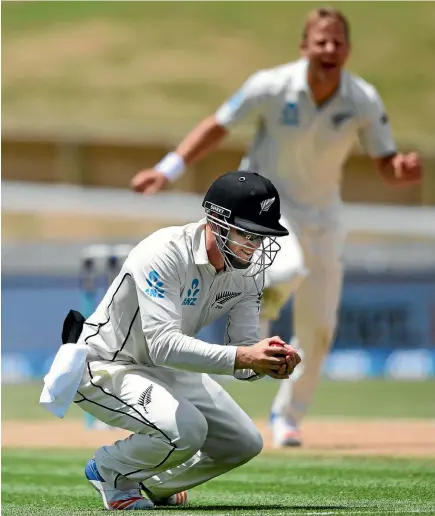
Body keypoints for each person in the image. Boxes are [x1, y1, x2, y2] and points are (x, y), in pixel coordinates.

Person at [130, 7, 423, 448]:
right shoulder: (271, 85)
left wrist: (402, 170)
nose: (329, 49)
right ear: (305, 46)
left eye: (337, 42)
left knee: (321, 329)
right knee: (286, 270)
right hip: (266, 210)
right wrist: (167, 169)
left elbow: (386, 164)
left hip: (325, 218)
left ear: (348, 49)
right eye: (320, 41)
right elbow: (218, 125)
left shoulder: (362, 97)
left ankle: (287, 417)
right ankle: (254, 307)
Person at [73, 170, 300, 510]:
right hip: (107, 364)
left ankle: (155, 482)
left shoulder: (250, 271)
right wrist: (246, 357)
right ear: (216, 222)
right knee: (188, 430)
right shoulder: (163, 252)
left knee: (244, 443)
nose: (254, 246)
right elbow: (163, 344)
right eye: (247, 234)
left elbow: (244, 359)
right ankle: (110, 470)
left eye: (261, 237)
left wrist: (268, 362)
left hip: (168, 367)